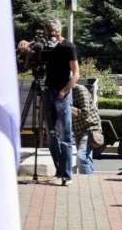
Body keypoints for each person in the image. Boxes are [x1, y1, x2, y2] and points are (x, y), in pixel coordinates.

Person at [18, 18, 80, 186]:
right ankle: (60, 170)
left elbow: (76, 73)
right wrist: (25, 45)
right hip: (47, 92)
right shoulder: (43, 46)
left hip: (63, 94)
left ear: (60, 32)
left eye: (55, 34)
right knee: (51, 135)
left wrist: (65, 91)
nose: (52, 37)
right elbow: (29, 57)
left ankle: (66, 175)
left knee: (65, 135)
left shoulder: (68, 47)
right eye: (49, 34)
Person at [71, 83, 101, 175]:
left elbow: (85, 113)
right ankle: (92, 182)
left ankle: (86, 181)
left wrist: (68, 108)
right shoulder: (66, 92)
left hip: (89, 128)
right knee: (87, 158)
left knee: (81, 157)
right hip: (78, 130)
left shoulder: (80, 90)